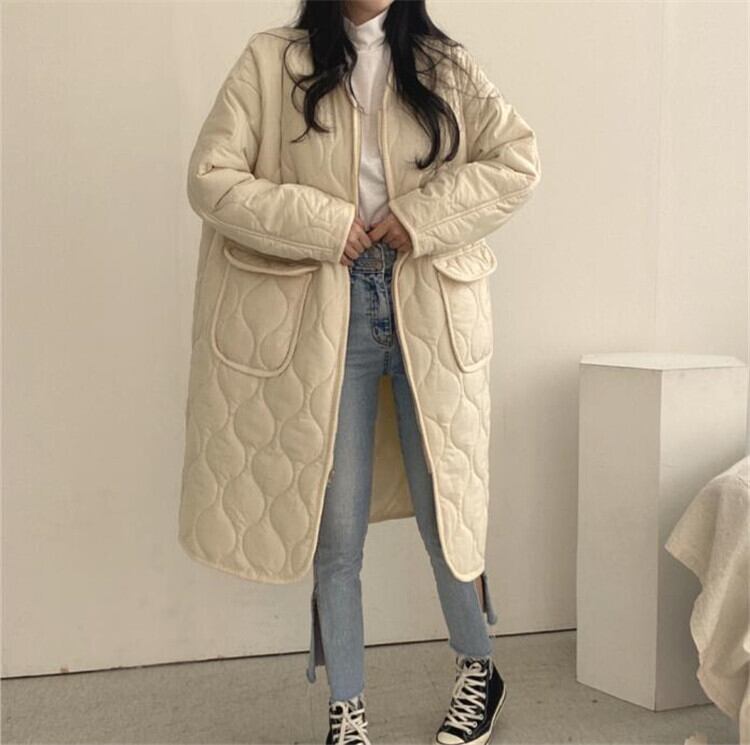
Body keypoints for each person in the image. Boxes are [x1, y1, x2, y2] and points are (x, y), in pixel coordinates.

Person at [179, 1, 541, 743]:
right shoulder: (272, 60)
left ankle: (480, 669)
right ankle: (346, 711)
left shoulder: (447, 66)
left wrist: (422, 217)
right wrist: (322, 224)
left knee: (447, 513)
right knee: (335, 531)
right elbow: (210, 178)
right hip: (327, 310)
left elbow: (517, 162)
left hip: (429, 307)